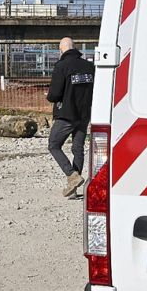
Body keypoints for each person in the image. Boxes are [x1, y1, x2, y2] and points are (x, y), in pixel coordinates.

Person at [47, 37, 94, 197]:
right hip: (84, 115)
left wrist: (51, 97)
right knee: (77, 149)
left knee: (53, 144)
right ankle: (73, 188)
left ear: (61, 50)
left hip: (66, 115)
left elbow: (54, 94)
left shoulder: (61, 66)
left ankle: (72, 175)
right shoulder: (90, 66)